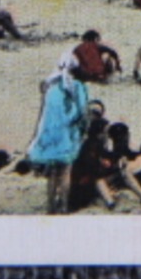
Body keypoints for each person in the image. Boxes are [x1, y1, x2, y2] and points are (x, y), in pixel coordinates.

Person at [25, 53, 90, 214]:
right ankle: (64, 205)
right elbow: (82, 112)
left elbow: (43, 114)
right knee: (65, 171)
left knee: (53, 173)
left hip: (50, 134)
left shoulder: (50, 86)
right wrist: (82, 130)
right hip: (67, 134)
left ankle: (50, 206)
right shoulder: (78, 87)